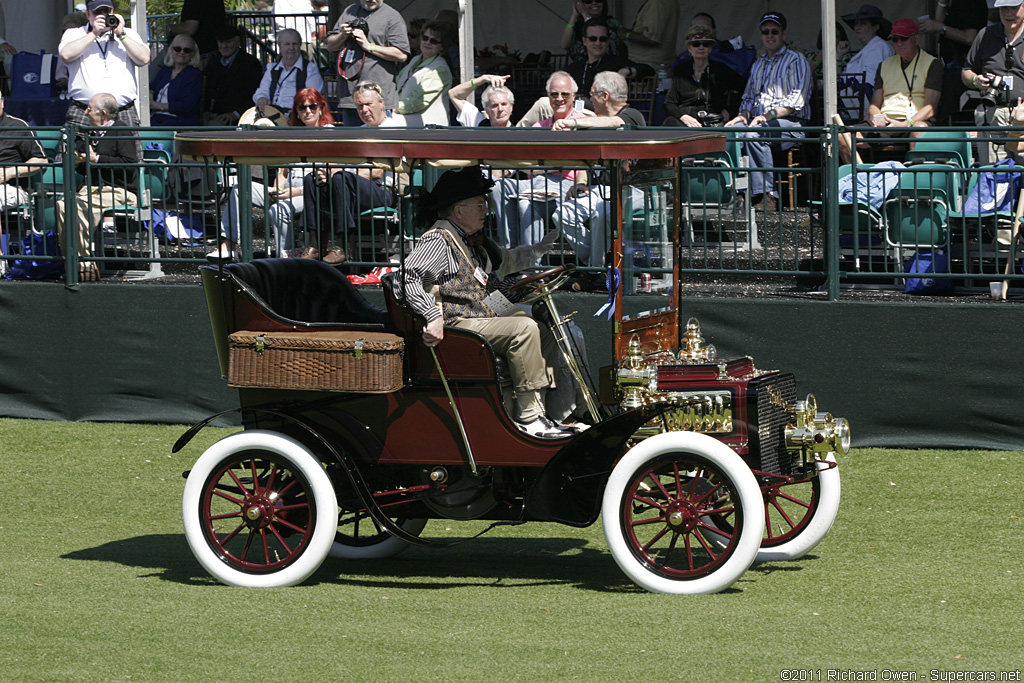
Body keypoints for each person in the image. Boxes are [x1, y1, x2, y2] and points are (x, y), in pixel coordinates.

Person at [392, 165, 568, 439]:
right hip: (457, 324)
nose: (486, 210)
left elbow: (503, 263)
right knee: (524, 329)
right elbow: (406, 278)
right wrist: (432, 315)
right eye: (480, 204)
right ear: (458, 210)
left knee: (542, 328)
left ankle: (539, 409)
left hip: (477, 316)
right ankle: (529, 419)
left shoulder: (466, 239)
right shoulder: (439, 239)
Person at [209, 88, 334, 262]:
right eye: (302, 107)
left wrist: (295, 191)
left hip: (312, 194)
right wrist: (278, 187)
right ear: (296, 112)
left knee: (279, 209)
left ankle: (286, 257)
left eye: (312, 107)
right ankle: (228, 245)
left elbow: (331, 174)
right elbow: (283, 171)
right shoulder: (291, 133)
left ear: (321, 108)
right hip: (287, 192)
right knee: (240, 188)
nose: (307, 111)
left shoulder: (329, 133)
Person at [551, 71, 646, 274]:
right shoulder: (596, 120)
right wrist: (581, 182)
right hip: (598, 189)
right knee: (563, 214)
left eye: (593, 94)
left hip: (632, 189)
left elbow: (614, 123)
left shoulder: (632, 115)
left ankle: (592, 272)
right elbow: (587, 161)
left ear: (605, 95)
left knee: (602, 211)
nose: (589, 99)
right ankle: (597, 264)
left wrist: (574, 122)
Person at [302, 81, 401, 264]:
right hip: (352, 187)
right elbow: (341, 161)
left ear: (381, 103)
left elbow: (378, 171)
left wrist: (339, 173)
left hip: (383, 191)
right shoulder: (359, 131)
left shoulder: (391, 129)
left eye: (368, 104)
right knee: (312, 179)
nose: (364, 110)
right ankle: (314, 244)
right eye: (359, 106)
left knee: (341, 177)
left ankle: (342, 245)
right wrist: (326, 172)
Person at [725, 11, 812, 213]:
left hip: (791, 123)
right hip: (760, 121)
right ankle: (737, 192)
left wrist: (766, 117)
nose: (770, 36)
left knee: (753, 133)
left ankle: (766, 195)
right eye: (765, 32)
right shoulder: (758, 63)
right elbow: (748, 97)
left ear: (783, 34)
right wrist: (742, 115)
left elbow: (796, 101)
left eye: (775, 31)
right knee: (731, 131)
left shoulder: (796, 60)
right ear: (761, 34)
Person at [54, 93, 139, 282]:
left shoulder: (121, 130)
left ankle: (82, 267)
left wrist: (97, 159)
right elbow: (90, 168)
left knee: (79, 205)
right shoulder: (88, 134)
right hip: (91, 190)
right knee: (62, 205)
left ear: (103, 113)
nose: (85, 112)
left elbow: (130, 164)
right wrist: (79, 161)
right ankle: (76, 264)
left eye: (89, 109)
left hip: (119, 191)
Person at [836, 20, 943, 164]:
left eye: (903, 38)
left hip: (914, 121)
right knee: (841, 135)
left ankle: (915, 180)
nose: (899, 43)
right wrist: (878, 119)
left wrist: (906, 123)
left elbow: (930, 109)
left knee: (919, 129)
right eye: (895, 39)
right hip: (886, 122)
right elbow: (874, 105)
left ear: (916, 39)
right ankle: (858, 179)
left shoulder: (932, 63)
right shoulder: (885, 64)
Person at [59, 0, 151, 132]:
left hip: (122, 111)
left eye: (106, 11)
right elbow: (66, 55)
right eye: (97, 12)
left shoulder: (128, 34)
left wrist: (121, 34)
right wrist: (94, 33)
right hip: (84, 110)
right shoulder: (75, 34)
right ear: (88, 14)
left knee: (129, 153)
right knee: (77, 152)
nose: (103, 15)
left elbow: (144, 58)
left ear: (112, 11)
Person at [326, 0, 409, 127]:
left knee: (379, 144)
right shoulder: (349, 12)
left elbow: (401, 54)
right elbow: (330, 46)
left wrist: (369, 46)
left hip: (377, 100)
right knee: (353, 145)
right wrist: (342, 35)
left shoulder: (392, 16)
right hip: (350, 98)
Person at [962, 0, 1024, 165]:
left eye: (1014, 8)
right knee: (993, 177)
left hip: (1023, 115)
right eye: (1004, 9)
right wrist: (976, 80)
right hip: (992, 114)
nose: (1008, 13)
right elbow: (966, 72)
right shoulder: (986, 34)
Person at [0, 91, 49, 273]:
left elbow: (41, 160)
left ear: (2, 102)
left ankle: (0, 260)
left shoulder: (18, 126)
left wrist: (10, 172)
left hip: (14, 188)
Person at [662, 24, 745, 127]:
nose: (701, 47)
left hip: (713, 120)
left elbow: (744, 88)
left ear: (710, 48)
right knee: (670, 123)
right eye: (696, 44)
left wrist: (729, 110)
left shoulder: (721, 69)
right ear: (689, 48)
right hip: (686, 120)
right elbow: (669, 102)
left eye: (706, 44)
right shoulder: (681, 70)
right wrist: (682, 116)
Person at [919, 0, 988, 122]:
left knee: (953, 111)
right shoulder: (952, 3)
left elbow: (970, 37)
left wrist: (940, 27)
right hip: (948, 63)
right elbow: (938, 25)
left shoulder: (971, 3)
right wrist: (942, 4)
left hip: (963, 65)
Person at [840, 5, 895, 119]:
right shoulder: (871, 47)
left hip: (866, 105)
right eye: (856, 24)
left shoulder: (879, 47)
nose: (857, 28)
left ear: (875, 27)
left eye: (863, 24)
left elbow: (871, 82)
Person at [201, 24, 263, 126]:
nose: (224, 46)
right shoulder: (213, 62)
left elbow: (255, 94)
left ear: (237, 41)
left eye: (228, 42)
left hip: (235, 117)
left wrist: (235, 114)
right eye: (221, 42)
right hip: (209, 113)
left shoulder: (250, 63)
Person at [393, 20, 453, 126]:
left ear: (442, 46)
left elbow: (418, 101)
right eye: (425, 38)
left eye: (434, 41)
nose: (427, 42)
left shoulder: (440, 69)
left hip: (430, 128)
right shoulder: (415, 60)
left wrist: (392, 109)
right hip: (407, 121)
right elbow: (396, 84)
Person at [253, 28, 325, 113]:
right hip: (272, 114)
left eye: (295, 44)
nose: (291, 48)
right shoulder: (271, 69)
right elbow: (262, 91)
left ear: (300, 46)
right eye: (287, 44)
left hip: (297, 116)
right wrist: (262, 98)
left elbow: (314, 96)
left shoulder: (310, 68)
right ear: (280, 46)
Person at [566, 18, 635, 105]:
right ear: (584, 41)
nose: (598, 43)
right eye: (593, 39)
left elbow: (648, 69)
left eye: (602, 39)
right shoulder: (575, 67)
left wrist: (628, 71)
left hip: (603, 114)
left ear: (608, 41)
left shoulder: (616, 63)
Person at [149, 34, 203, 127]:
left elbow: (187, 105)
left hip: (179, 120)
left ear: (193, 53)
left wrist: (158, 106)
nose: (181, 52)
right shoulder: (166, 70)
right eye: (177, 49)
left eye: (187, 50)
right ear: (171, 50)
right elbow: (152, 86)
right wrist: (150, 93)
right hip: (155, 117)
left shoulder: (194, 74)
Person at [622, 0, 679, 78]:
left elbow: (652, 39)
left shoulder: (657, 3)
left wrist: (625, 34)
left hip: (650, 70)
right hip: (653, 67)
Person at [561, 0, 627, 62]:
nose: (594, 3)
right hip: (582, 68)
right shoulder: (577, 25)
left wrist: (585, 14)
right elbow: (565, 45)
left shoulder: (611, 22)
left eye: (598, 0)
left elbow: (596, 32)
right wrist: (574, 15)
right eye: (588, 1)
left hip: (607, 67)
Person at [448, 74, 515, 128]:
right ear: (486, 109)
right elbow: (454, 94)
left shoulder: (519, 132)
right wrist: (484, 78)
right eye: (494, 105)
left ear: (511, 107)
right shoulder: (476, 123)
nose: (500, 109)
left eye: (504, 104)